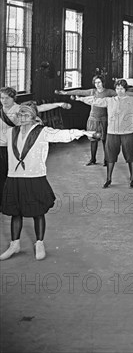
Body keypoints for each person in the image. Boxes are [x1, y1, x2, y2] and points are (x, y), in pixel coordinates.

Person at [0, 102, 96, 261]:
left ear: (32, 117)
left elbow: (63, 135)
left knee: (37, 212)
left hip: (34, 177)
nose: (21, 118)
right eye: (19, 115)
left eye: (25, 114)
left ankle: (39, 243)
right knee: (15, 213)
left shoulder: (42, 132)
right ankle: (14, 245)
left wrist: (84, 133)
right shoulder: (10, 132)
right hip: (14, 178)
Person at [76, 79, 133, 188]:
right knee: (110, 157)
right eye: (117, 88)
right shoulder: (110, 100)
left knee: (130, 156)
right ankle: (108, 179)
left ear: (125, 90)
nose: (119, 91)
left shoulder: (132, 100)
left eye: (122, 89)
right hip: (112, 133)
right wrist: (81, 99)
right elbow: (95, 100)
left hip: (127, 133)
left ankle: (132, 178)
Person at [2, 88, 71, 197]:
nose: (4, 100)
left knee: (13, 175)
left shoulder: (19, 109)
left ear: (13, 98)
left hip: (13, 148)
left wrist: (59, 104)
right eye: (1, 98)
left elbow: (40, 108)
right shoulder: (1, 110)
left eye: (7, 98)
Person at [56, 75, 117, 165]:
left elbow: (121, 94)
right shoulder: (93, 91)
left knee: (105, 140)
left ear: (103, 82)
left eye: (99, 82)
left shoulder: (108, 92)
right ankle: (93, 159)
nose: (97, 84)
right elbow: (79, 91)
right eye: (96, 83)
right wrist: (65, 93)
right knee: (93, 139)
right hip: (93, 119)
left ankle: (107, 160)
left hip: (104, 118)